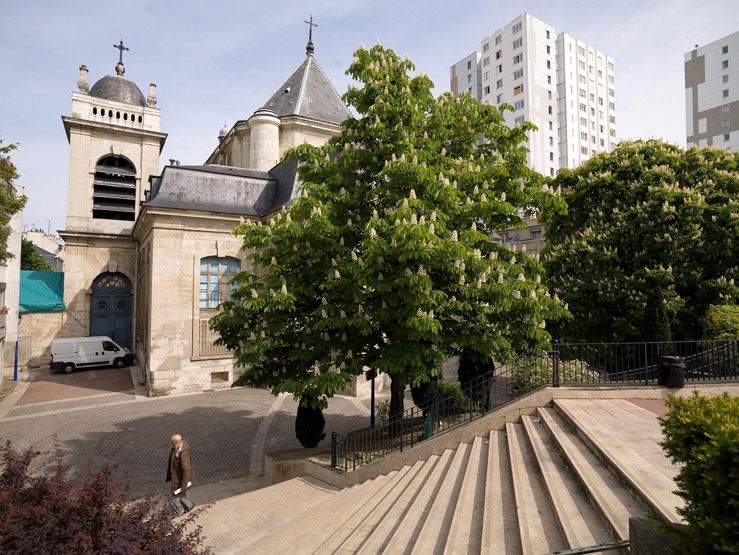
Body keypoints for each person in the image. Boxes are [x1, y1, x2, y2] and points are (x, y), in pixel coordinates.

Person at [165, 433, 195, 516]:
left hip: (180, 481)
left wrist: (183, 486)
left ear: (175, 442)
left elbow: (186, 471)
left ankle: (178, 512)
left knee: (173, 498)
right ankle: (189, 506)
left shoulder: (183, 454)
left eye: (172, 443)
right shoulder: (178, 447)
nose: (171, 444)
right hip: (180, 480)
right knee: (182, 496)